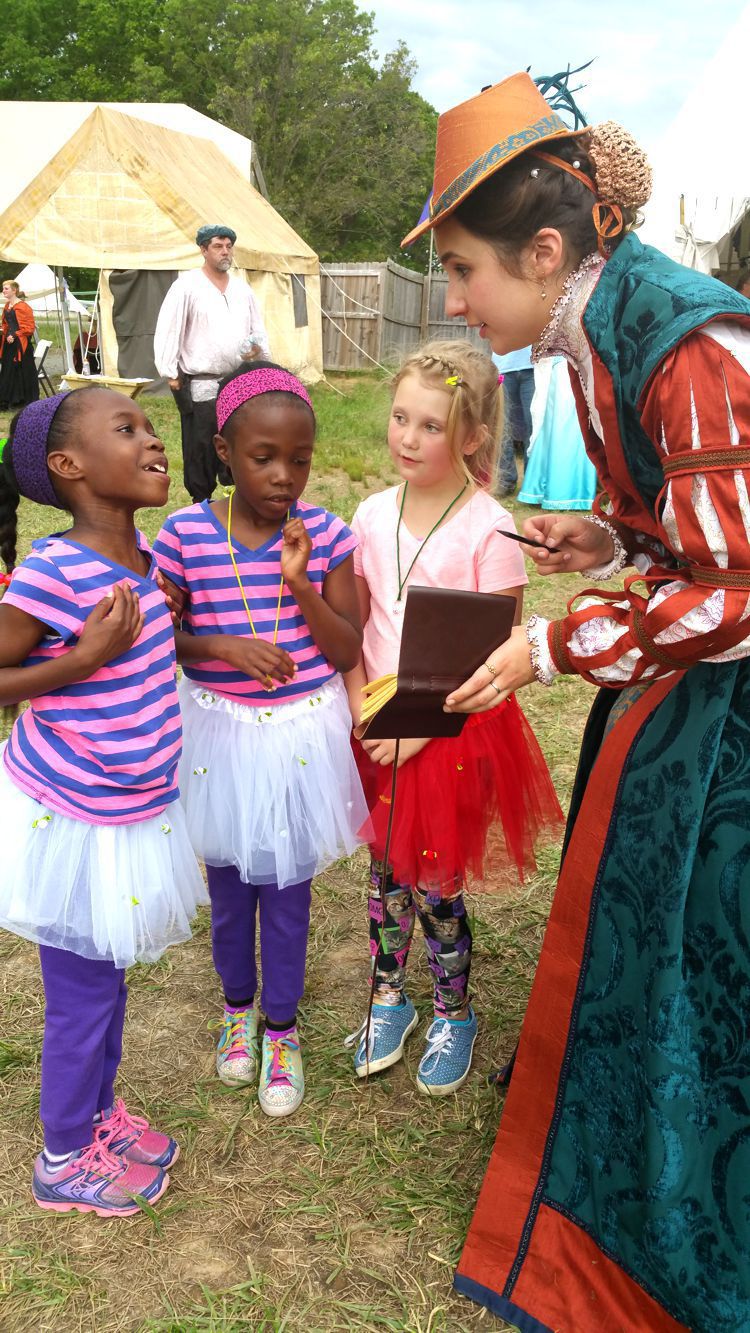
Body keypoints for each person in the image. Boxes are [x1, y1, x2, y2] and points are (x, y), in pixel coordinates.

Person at [402, 70, 750, 1331]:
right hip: (681, 701)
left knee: (700, 937)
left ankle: (674, 1196)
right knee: (644, 926)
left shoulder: (690, 339)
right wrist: (599, 538)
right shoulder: (595, 330)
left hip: (731, 720)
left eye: (462, 270)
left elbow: (740, 590)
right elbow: (678, 530)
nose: (452, 299)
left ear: (546, 251)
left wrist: (555, 649)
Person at [0, 390, 207, 1217]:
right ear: (69, 467)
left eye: (151, 426)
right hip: (73, 820)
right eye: (127, 430)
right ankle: (61, 1157)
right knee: (82, 995)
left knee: (109, 976)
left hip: (133, 813)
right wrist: (79, 658)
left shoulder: (146, 558)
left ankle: (94, 1117)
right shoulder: (54, 572)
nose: (154, 439)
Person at [344, 340, 562, 1095]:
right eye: (401, 418)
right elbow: (354, 624)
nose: (406, 436)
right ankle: (387, 997)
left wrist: (418, 728)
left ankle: (454, 1008)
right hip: (374, 725)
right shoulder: (370, 514)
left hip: (447, 733)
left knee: (435, 879)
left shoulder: (490, 529)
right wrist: (361, 712)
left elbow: (496, 657)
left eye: (430, 425)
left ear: (470, 436)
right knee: (382, 873)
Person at [152, 361, 368, 1119]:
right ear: (223, 453)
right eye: (263, 457)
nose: (284, 476)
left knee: (287, 888)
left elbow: (346, 649)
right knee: (228, 884)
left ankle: (282, 1025)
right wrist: (223, 648)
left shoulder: (328, 533)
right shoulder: (183, 533)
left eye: (300, 459)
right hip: (218, 730)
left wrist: (303, 582)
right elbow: (162, 637)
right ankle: (236, 1007)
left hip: (300, 739)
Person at [154, 225, 270, 504]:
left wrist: (259, 353)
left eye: (229, 245)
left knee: (238, 439)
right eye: (218, 246)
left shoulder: (243, 290)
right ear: (203, 249)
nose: (225, 251)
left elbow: (258, 330)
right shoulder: (187, 286)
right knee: (201, 444)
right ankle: (201, 502)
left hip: (238, 380)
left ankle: (235, 497)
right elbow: (170, 328)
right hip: (202, 382)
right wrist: (170, 372)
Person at [517, 354, 596, 510]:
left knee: (570, 426)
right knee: (558, 425)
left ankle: (561, 491)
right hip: (561, 369)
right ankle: (560, 492)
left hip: (576, 367)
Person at [492, 346, 534, 495]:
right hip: (503, 369)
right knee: (502, 426)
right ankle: (505, 481)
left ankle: (532, 484)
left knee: (534, 426)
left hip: (533, 367)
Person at [0, 280, 39, 410]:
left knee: (21, 371)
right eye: (3, 289)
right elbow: (6, 324)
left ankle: (21, 401)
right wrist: (5, 333)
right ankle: (9, 400)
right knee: (8, 370)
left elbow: (29, 327)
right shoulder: (7, 306)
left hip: (21, 345)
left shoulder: (23, 307)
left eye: (6, 289)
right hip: (9, 343)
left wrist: (15, 335)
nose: (3, 291)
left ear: (14, 290)